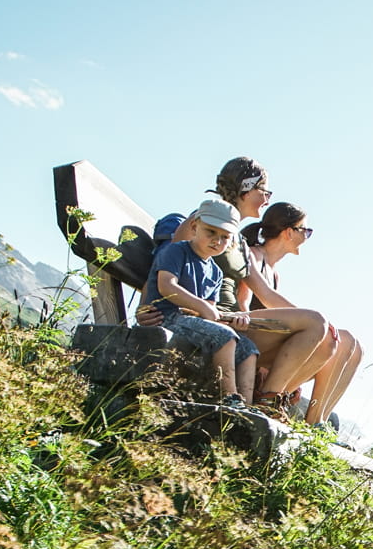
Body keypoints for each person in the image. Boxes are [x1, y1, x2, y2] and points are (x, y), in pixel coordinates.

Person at [136, 157, 331, 415]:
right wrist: (145, 305)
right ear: (246, 188)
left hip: (224, 318)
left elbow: (265, 294)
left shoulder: (235, 239)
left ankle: (253, 405)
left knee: (324, 331)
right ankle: (263, 402)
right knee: (316, 323)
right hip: (195, 318)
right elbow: (166, 264)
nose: (267, 199)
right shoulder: (204, 221)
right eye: (264, 191)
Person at [240, 203, 362, 432]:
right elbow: (258, 300)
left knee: (350, 343)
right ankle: (269, 399)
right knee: (323, 330)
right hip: (251, 336)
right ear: (289, 231)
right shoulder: (255, 255)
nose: (307, 236)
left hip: (271, 339)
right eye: (305, 230)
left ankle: (316, 422)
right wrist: (312, 320)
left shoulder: (274, 272)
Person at [140, 203, 257, 399]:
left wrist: (230, 318)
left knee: (248, 349)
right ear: (194, 227)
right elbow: (166, 286)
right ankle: (229, 397)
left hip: (189, 322)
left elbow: (208, 312)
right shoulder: (177, 251)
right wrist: (202, 307)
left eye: (225, 237)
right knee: (225, 337)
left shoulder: (216, 272)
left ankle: (247, 404)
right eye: (211, 232)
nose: (217, 241)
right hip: (165, 317)